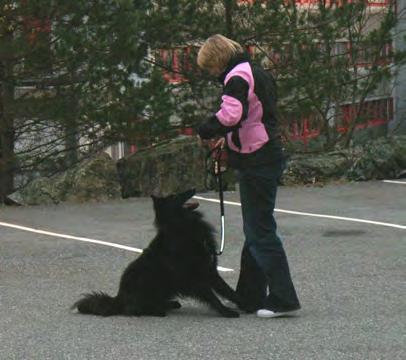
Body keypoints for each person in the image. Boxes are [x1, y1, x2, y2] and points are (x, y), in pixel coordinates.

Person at [195, 34, 301, 318]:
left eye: (210, 68)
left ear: (217, 60)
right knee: (255, 229)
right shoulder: (254, 71)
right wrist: (228, 142)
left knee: (260, 231)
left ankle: (283, 298)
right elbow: (252, 116)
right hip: (263, 154)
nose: (212, 74)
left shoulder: (236, 78)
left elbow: (231, 115)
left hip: (258, 158)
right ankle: (249, 296)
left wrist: (206, 129)